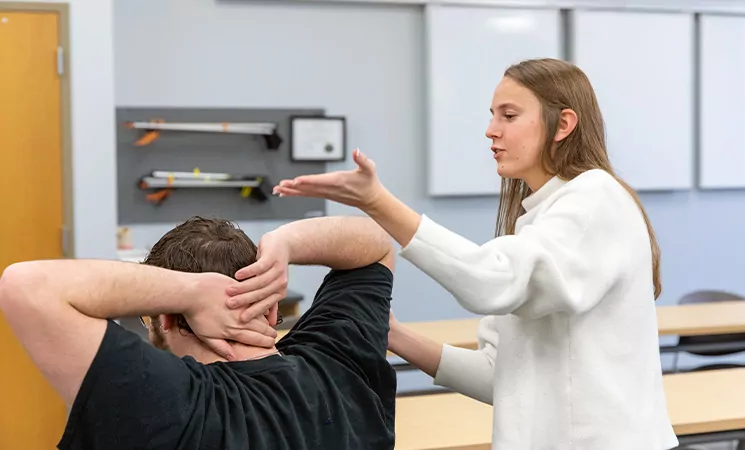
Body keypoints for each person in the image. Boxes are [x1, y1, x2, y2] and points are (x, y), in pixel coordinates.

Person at [238, 58, 679, 449]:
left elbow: (491, 281)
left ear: (563, 125)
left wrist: (378, 203)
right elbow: (498, 377)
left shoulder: (594, 200)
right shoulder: (538, 222)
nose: (491, 129)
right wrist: (390, 334)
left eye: (509, 115)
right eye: (492, 115)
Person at [0, 215, 397, 450]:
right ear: (273, 305)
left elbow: (26, 285)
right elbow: (377, 244)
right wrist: (285, 244)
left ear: (165, 318)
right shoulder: (341, 366)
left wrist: (190, 292)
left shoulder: (167, 403)